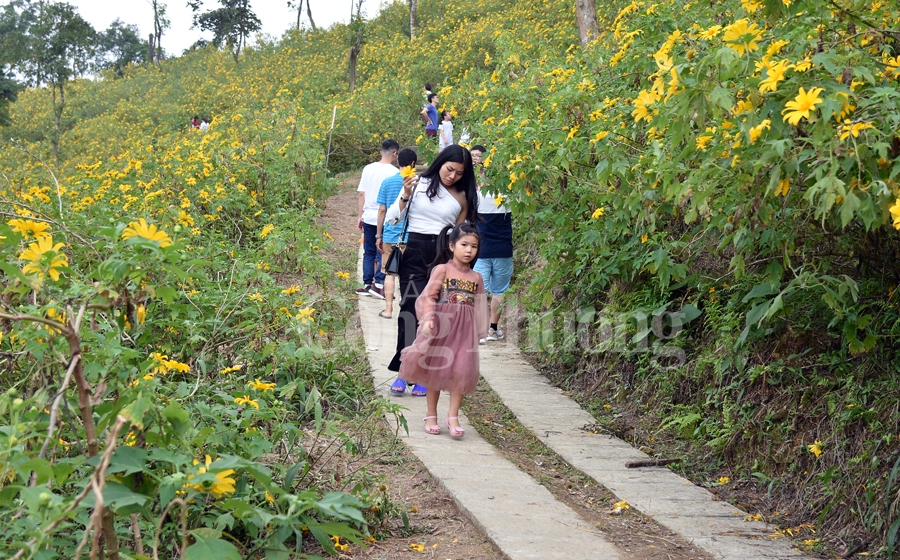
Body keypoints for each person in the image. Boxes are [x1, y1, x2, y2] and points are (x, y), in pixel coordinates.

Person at [384, 145, 479, 396]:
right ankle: (404, 370)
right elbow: (392, 218)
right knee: (409, 309)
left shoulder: (462, 197)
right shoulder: (418, 183)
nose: (453, 176)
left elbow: (461, 235)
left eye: (460, 173)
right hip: (415, 253)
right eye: (450, 169)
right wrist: (406, 193)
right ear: (440, 163)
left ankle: (425, 373)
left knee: (437, 314)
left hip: (443, 256)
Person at [399, 223, 488, 437]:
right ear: (451, 246)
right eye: (464, 245)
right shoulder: (442, 270)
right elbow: (429, 296)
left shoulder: (477, 277)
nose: (469, 250)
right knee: (436, 370)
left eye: (474, 246)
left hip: (464, 332)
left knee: (461, 370)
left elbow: (480, 306)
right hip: (442, 328)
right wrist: (429, 318)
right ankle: (431, 414)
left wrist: (479, 331)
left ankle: (453, 416)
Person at [471, 145, 513, 343]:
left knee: (480, 291)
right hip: (503, 250)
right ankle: (493, 329)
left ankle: (478, 331)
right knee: (500, 291)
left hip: (482, 250)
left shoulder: (476, 197)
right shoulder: (508, 196)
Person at [376, 148, 418, 320]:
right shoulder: (418, 184)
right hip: (411, 236)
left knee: (389, 273)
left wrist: (378, 235)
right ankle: (406, 308)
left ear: (398, 161)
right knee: (408, 274)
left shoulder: (387, 182)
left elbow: (382, 210)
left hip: (390, 234)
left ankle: (388, 310)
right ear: (413, 164)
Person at [357, 139, 400, 299]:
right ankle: (379, 284)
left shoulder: (368, 169)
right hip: (385, 218)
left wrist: (360, 215)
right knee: (383, 251)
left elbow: (362, 194)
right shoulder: (394, 173)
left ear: (381, 151)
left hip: (368, 216)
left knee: (368, 252)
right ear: (395, 153)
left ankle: (367, 284)